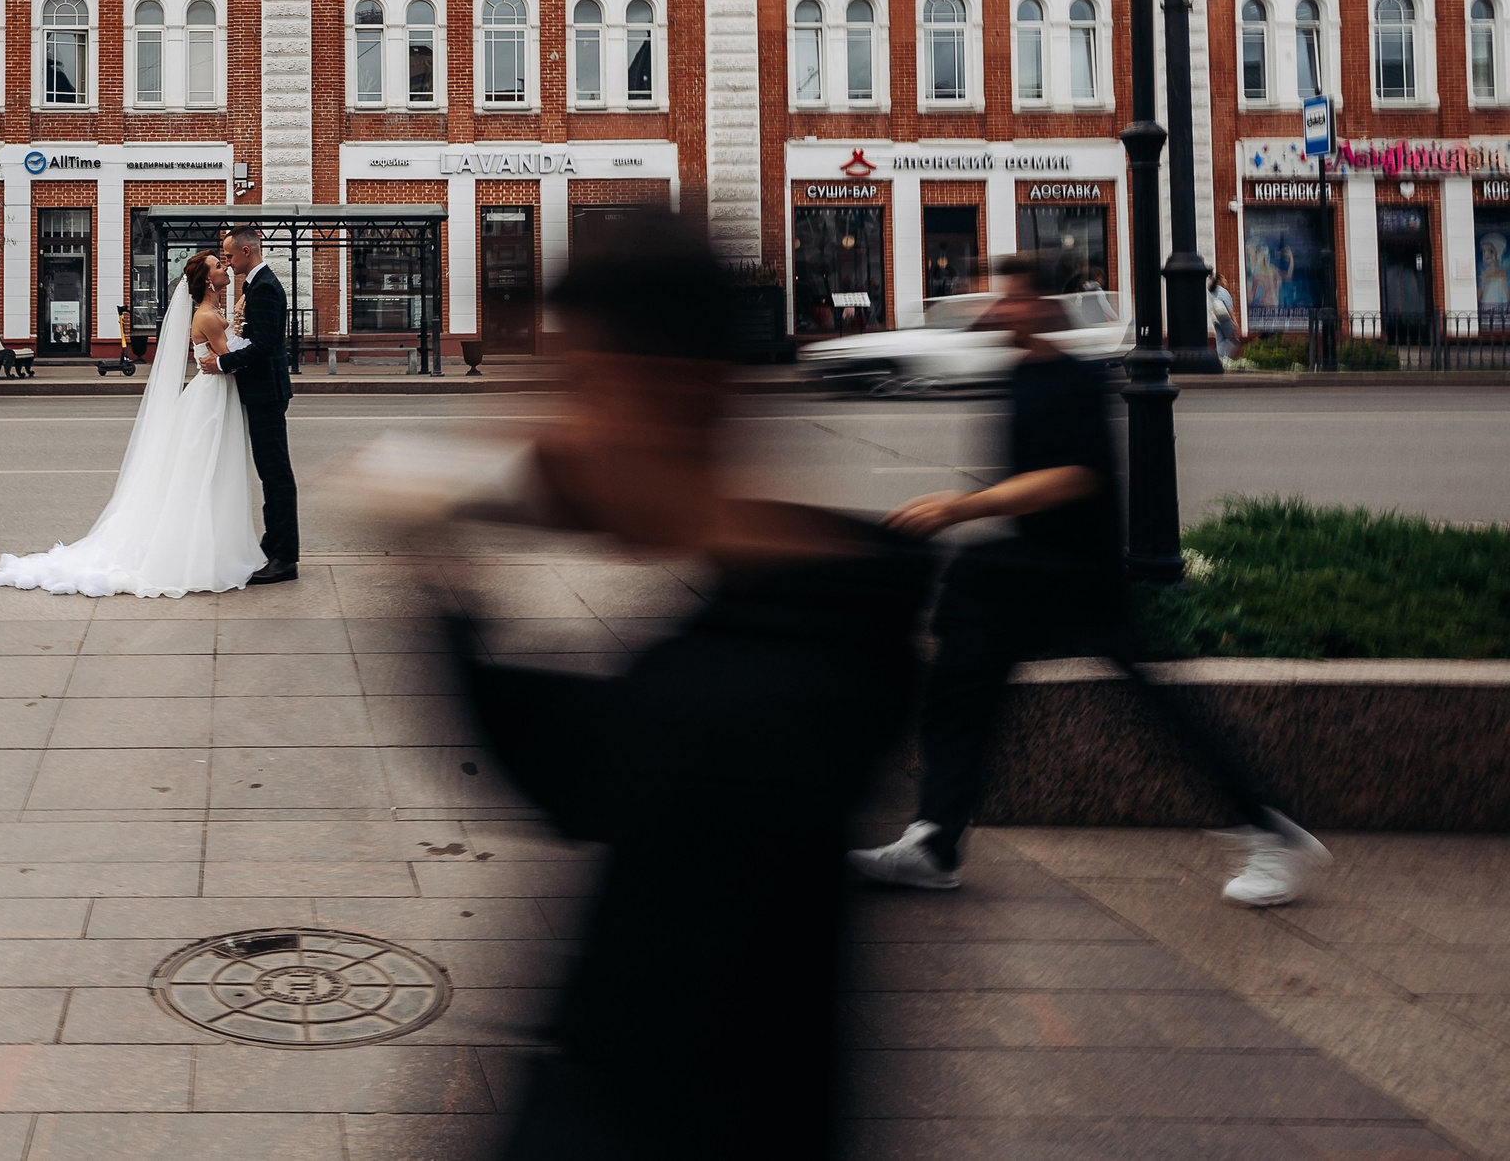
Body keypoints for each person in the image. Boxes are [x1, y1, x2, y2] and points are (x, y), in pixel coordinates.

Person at [347, 208, 933, 1158]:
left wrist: (442, 577)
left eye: (580, 387)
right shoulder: (811, 610)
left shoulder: (742, 697)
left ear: (669, 396)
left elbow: (579, 770)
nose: (548, 431)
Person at [850, 252, 1328, 907]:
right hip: (1033, 578)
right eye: (994, 297)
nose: (998, 309)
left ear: (1043, 306)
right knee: (963, 670)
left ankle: (1271, 832)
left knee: (1159, 709)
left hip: (1084, 577)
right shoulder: (1019, 375)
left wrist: (958, 509)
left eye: (1011, 297)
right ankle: (935, 840)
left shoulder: (1072, 379)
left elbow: (1074, 477)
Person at [0, 249, 265, 597]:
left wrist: (237, 321)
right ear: (208, 280)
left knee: (212, 469)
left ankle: (211, 544)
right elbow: (230, 358)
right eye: (217, 265)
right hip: (211, 397)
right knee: (205, 470)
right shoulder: (207, 315)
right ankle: (199, 550)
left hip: (216, 392)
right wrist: (239, 335)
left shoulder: (214, 312)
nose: (224, 267)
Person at [200, 224, 299, 583]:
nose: (226, 262)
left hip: (267, 393)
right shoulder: (256, 285)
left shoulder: (266, 287)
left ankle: (284, 558)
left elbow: (265, 346)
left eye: (228, 255)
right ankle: (274, 546)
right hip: (262, 391)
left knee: (276, 475)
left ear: (246, 251)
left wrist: (222, 362)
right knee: (270, 473)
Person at [1208, 270, 1240, 360]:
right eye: (1224, 279)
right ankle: (1228, 358)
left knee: (1220, 340)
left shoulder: (1211, 292)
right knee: (1232, 340)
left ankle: (1221, 359)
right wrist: (1235, 323)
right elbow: (1230, 310)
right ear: (1220, 281)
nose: (1226, 281)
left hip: (1215, 319)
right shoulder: (1223, 292)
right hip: (1225, 318)